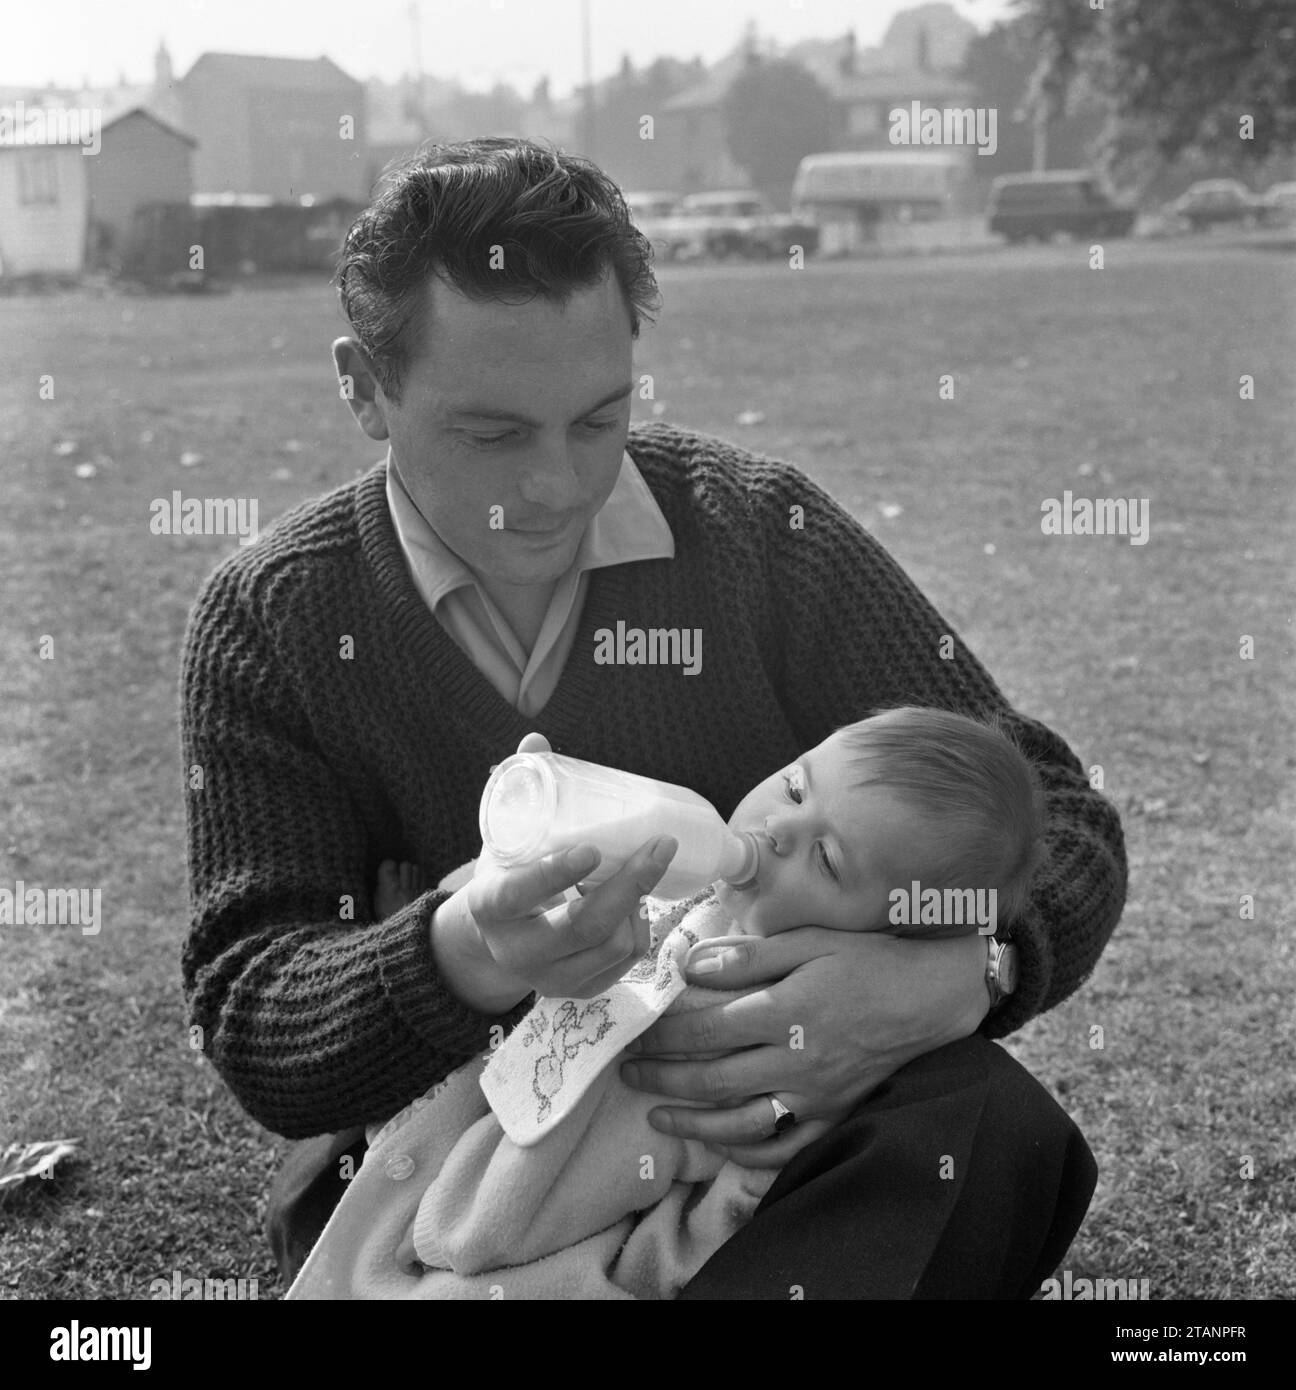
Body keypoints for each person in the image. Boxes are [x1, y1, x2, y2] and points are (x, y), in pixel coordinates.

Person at [179, 137, 1126, 1299]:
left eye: (598, 417)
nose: (557, 487)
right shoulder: (275, 618)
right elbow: (253, 1007)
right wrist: (458, 954)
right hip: (446, 1167)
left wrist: (971, 969)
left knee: (986, 1126)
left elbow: (1052, 808)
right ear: (364, 385)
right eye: (492, 434)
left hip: (748, 1139)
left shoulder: (757, 533)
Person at [285, 706, 1048, 1299]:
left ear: (887, 936)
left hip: (543, 1263)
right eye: (793, 786)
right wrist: (484, 886)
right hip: (429, 1171)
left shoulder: (803, 1038)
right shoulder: (667, 882)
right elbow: (506, 964)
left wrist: (631, 1276)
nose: (778, 831)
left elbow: (715, 1216)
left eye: (827, 858)